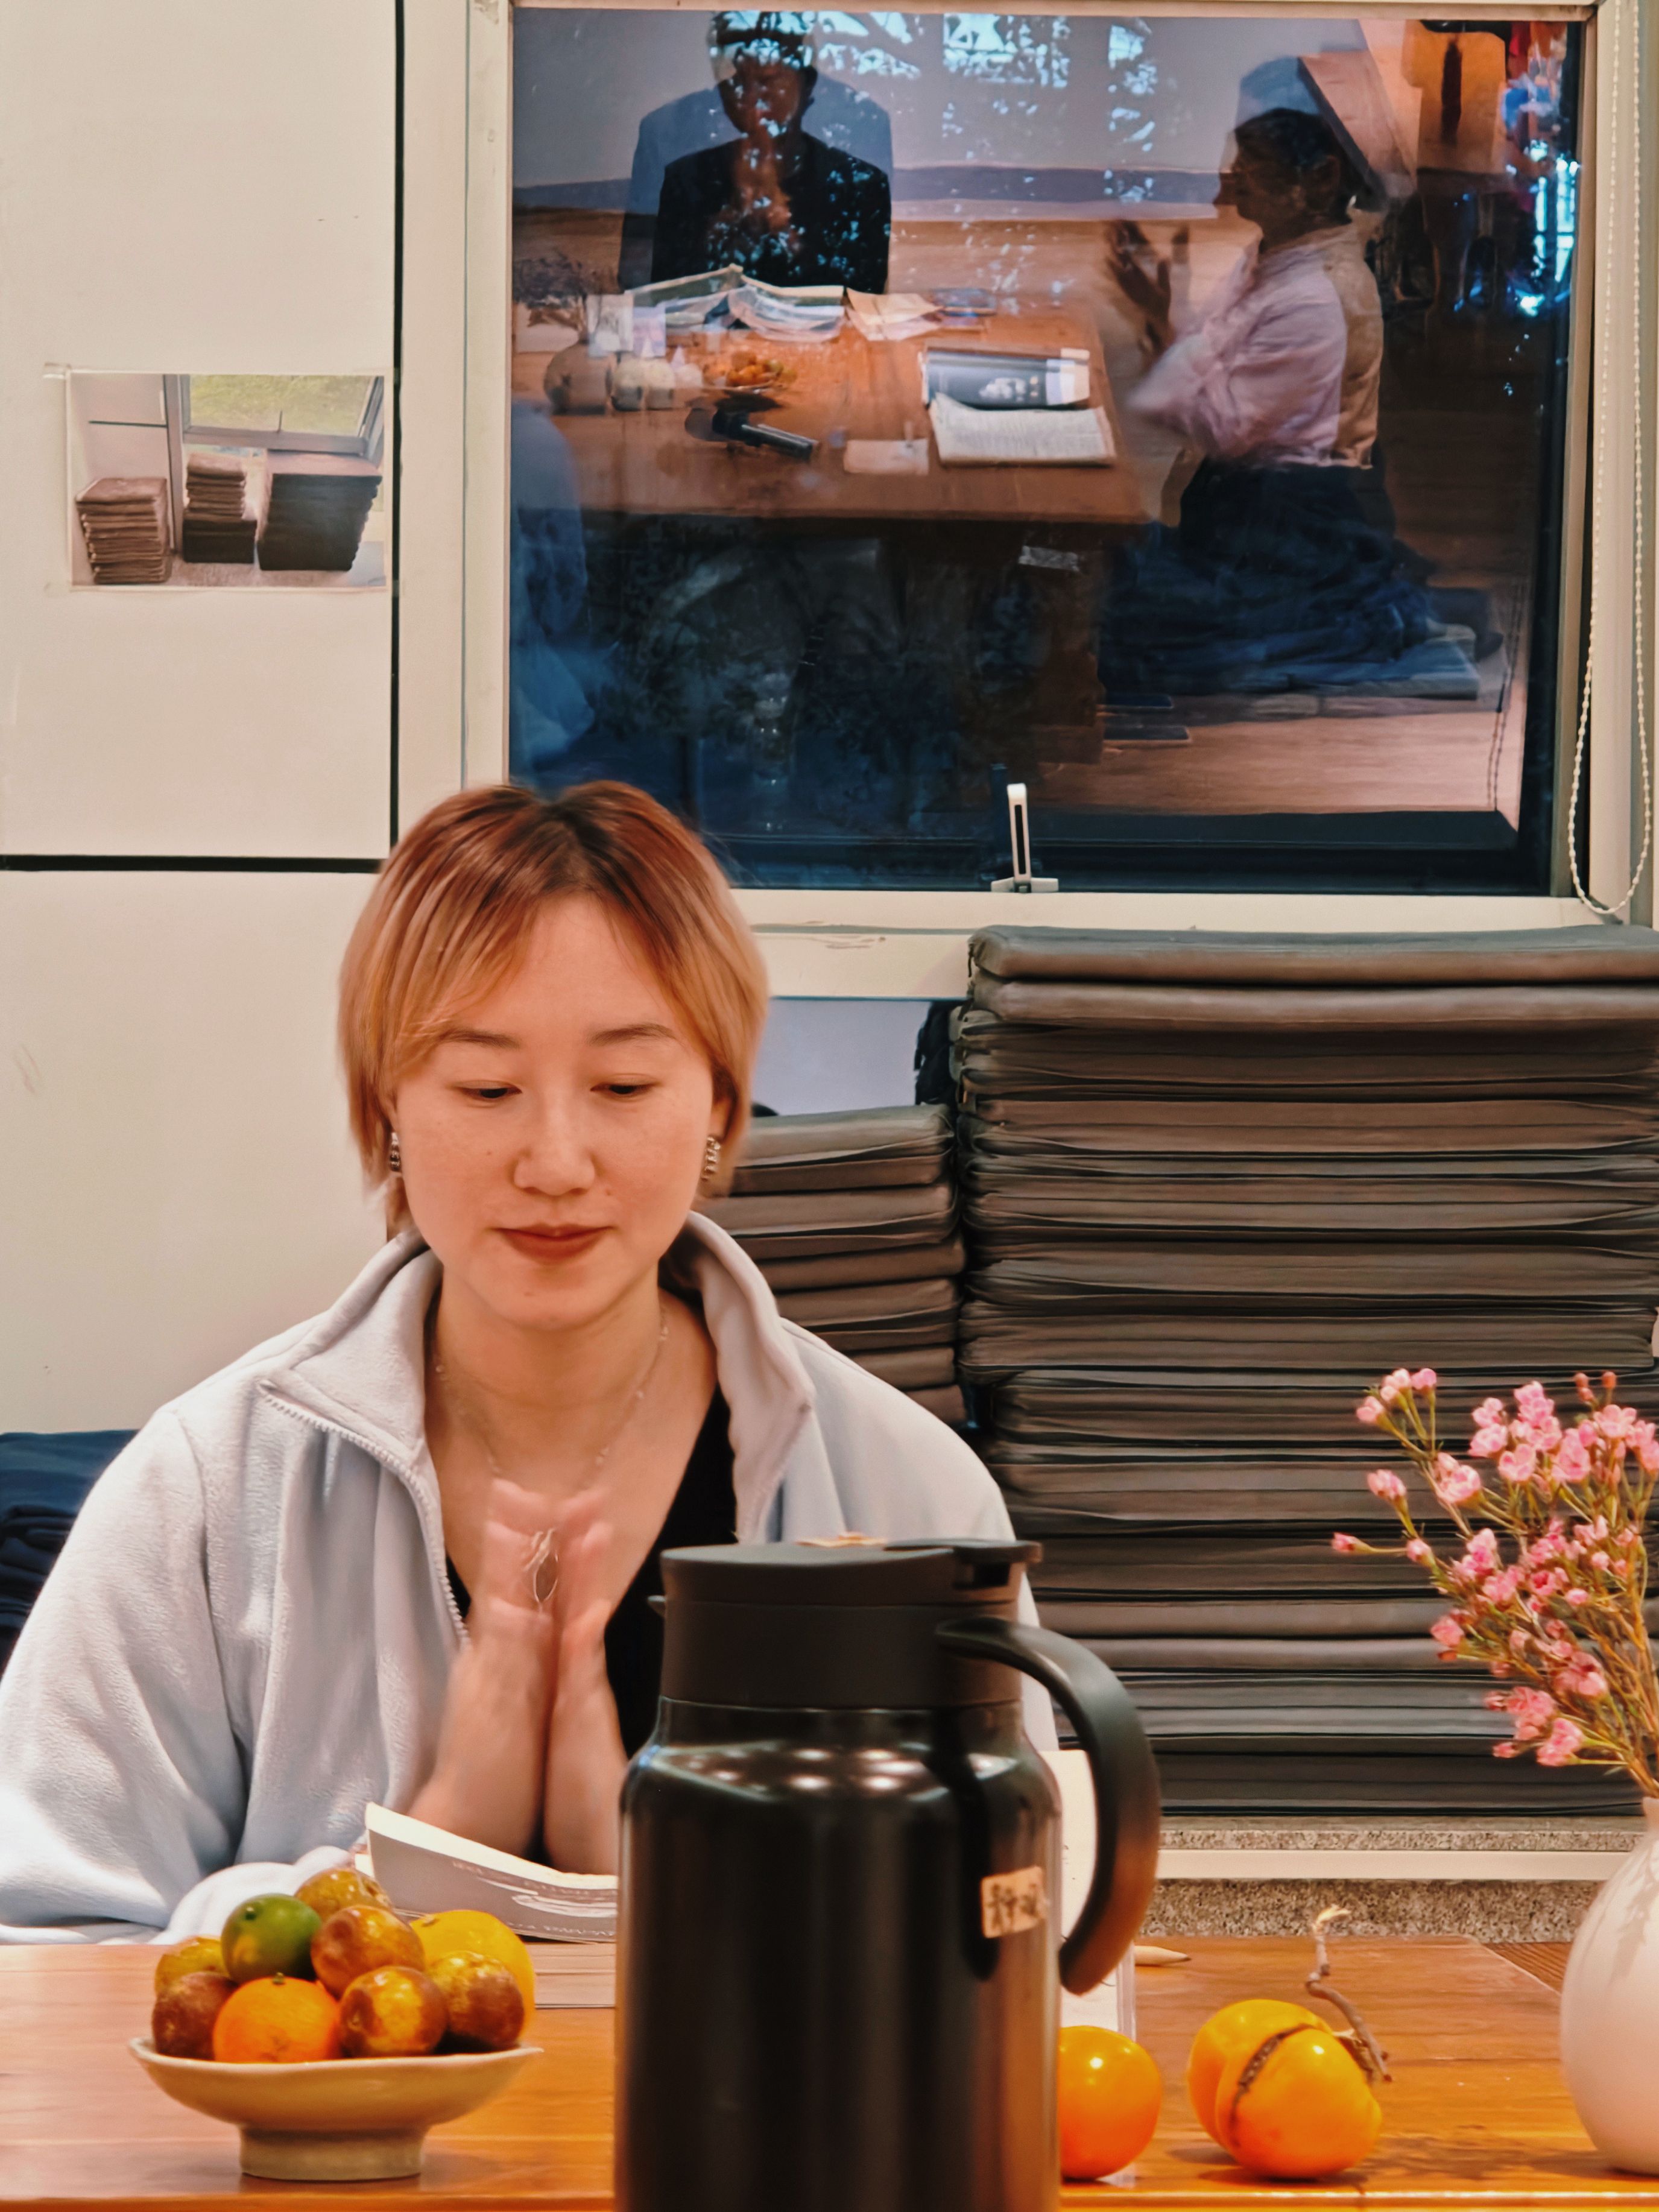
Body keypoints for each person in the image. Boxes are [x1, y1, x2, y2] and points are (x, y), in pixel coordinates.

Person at [0, 783, 1048, 1941]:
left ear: (719, 1100)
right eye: (486, 1088)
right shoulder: (205, 1490)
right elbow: (41, 1952)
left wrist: (642, 1872)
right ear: (387, 1105)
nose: (555, 1160)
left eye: (624, 1086)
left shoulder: (906, 1493)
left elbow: (1010, 1938)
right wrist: (424, 1854)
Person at [1100, 105, 1455, 700]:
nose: (1233, 176)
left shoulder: (1317, 293)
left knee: (1126, 626)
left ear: (1319, 179)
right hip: (1246, 505)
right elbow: (1213, 362)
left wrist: (1165, 333)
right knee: (1106, 582)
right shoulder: (1274, 257)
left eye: (1254, 163)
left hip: (1287, 521)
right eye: (1238, 159)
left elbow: (1224, 425)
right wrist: (1166, 317)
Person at [618, 13, 893, 290]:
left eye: (769, 81)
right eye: (738, 83)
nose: (752, 101)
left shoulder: (860, 186)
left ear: (807, 85)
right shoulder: (685, 178)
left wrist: (785, 230)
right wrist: (725, 225)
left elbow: (862, 293)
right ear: (721, 94)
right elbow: (651, 288)